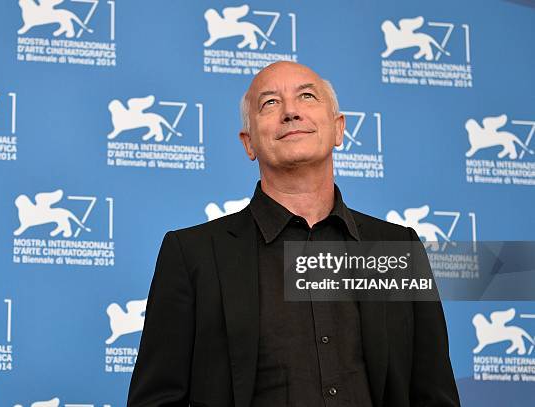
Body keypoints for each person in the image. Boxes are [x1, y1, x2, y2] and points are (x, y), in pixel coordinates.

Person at [127, 61, 460, 407]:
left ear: (338, 129)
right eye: (270, 103)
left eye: (307, 96)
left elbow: (434, 395)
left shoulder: (397, 247)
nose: (290, 112)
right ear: (248, 143)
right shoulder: (191, 254)